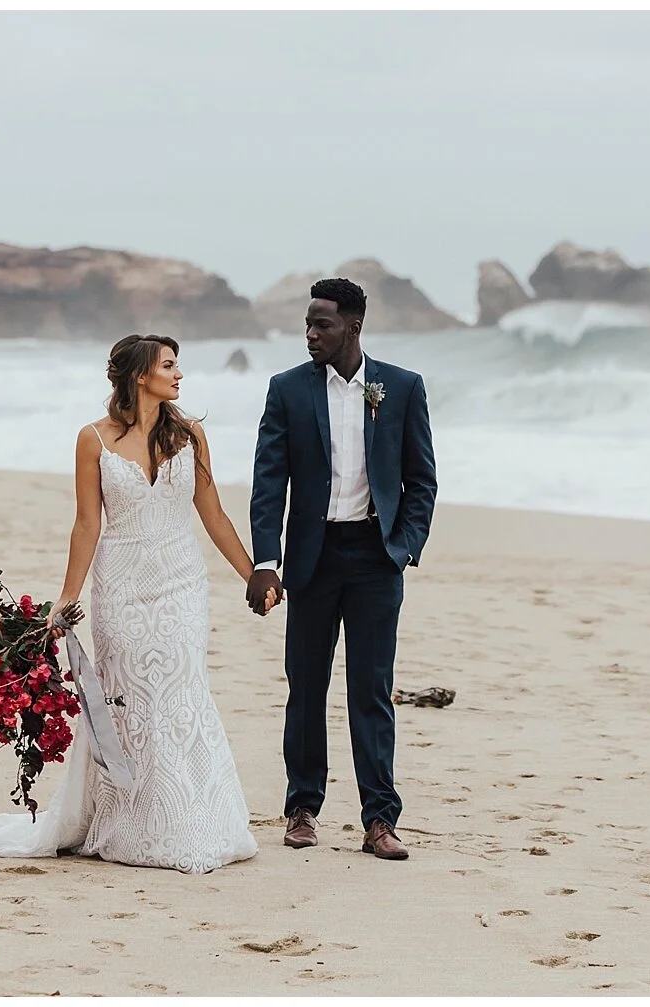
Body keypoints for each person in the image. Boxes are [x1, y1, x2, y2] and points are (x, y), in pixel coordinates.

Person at [0, 334, 267, 874]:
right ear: (140, 375)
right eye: (169, 365)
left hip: (182, 584)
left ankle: (191, 817)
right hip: (121, 588)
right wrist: (64, 601)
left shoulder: (191, 436)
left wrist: (251, 573)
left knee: (180, 693)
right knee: (131, 701)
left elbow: (212, 511)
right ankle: (134, 820)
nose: (179, 373)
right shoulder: (92, 440)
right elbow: (88, 523)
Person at [246, 277, 438, 861]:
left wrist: (402, 547)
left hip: (376, 560)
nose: (310, 334)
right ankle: (302, 808)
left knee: (371, 689)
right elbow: (268, 480)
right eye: (307, 323)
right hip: (312, 558)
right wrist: (266, 561)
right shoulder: (288, 390)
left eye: (321, 324)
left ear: (353, 326)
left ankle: (380, 818)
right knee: (306, 686)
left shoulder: (401, 388)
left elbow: (421, 479)